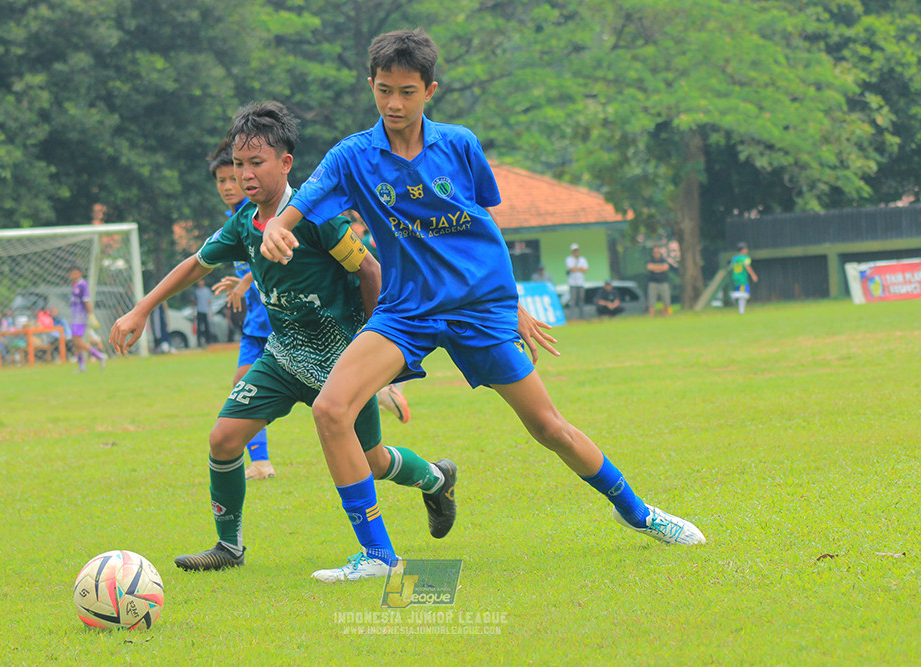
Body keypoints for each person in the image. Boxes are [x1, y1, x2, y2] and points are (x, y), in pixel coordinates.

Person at [261, 28, 705, 583]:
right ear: (370, 86)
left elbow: (485, 227)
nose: (393, 103)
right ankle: (378, 556)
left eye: (406, 91)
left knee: (548, 427)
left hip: (479, 309)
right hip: (406, 311)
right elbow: (303, 198)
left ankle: (641, 514)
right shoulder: (353, 155)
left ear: (430, 90)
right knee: (330, 410)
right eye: (383, 90)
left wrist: (512, 302)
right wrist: (277, 228)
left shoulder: (460, 145)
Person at [109, 101, 457, 573]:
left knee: (373, 461)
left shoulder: (316, 217)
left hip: (341, 360)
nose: (244, 174)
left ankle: (433, 480)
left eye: (256, 163)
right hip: (284, 356)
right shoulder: (243, 224)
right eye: (238, 163)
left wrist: (376, 344)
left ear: (285, 163)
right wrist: (142, 308)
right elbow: (196, 264)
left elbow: (371, 269)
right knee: (224, 439)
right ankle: (229, 547)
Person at [206, 138, 278, 481]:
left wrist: (246, 281)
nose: (227, 186)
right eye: (221, 181)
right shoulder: (233, 217)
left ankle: (378, 389)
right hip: (256, 320)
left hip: (278, 317)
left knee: (325, 391)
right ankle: (261, 463)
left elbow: (269, 250)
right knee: (243, 387)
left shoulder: (260, 210)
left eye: (231, 178)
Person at [69, 266, 108, 371]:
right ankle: (82, 366)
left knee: (77, 341)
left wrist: (91, 315)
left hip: (80, 316)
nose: (72, 274)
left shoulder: (83, 285)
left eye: (74, 272)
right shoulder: (74, 285)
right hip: (75, 315)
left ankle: (99, 356)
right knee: (75, 341)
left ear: (80, 273)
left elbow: (86, 300)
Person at [730, 242, 758, 314]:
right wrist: (753, 275)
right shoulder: (745, 258)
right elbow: (747, 266)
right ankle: (733, 294)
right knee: (746, 294)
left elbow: (731, 266)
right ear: (743, 250)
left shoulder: (735, 258)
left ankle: (741, 312)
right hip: (742, 278)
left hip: (735, 277)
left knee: (741, 296)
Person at [646, 247, 673, 317]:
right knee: (651, 300)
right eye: (655, 252)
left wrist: (655, 268)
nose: (656, 254)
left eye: (658, 252)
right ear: (652, 253)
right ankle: (651, 315)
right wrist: (660, 267)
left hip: (663, 282)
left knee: (666, 299)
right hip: (653, 282)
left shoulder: (664, 260)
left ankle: (667, 314)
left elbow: (665, 267)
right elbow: (649, 267)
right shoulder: (650, 260)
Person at [565, 243, 589, 318]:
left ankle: (582, 316)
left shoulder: (582, 259)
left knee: (581, 300)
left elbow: (585, 269)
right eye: (574, 251)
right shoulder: (569, 259)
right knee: (573, 300)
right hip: (572, 283)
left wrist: (576, 268)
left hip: (580, 283)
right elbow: (570, 268)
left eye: (577, 251)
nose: (576, 252)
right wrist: (579, 268)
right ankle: (572, 317)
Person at [193, 279, 214, 347]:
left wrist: (210, 310)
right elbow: (194, 302)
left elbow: (209, 301)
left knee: (207, 326)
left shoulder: (207, 291)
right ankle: (199, 342)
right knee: (199, 327)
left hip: (206, 311)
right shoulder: (197, 291)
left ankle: (209, 341)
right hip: (199, 310)